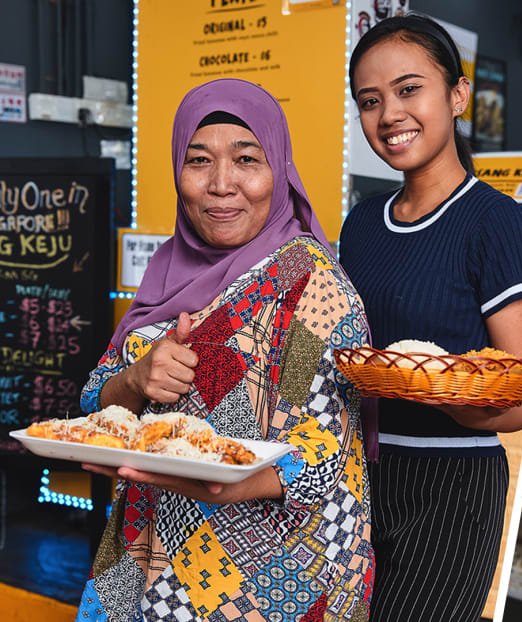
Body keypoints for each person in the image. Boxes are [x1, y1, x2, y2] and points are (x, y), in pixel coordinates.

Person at [77, 78, 374, 622]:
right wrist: (136, 379)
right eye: (199, 161)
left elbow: (324, 452)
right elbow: (96, 402)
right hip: (142, 557)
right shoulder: (167, 269)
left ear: (278, 169)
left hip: (267, 578)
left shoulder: (309, 289)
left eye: (245, 160)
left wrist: (234, 481)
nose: (220, 184)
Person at [339, 14, 522, 622]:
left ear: (458, 95)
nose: (390, 116)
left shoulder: (498, 223)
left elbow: (519, 398)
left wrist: (427, 384)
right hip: (354, 477)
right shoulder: (361, 224)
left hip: (452, 486)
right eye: (370, 101)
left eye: (410, 90)